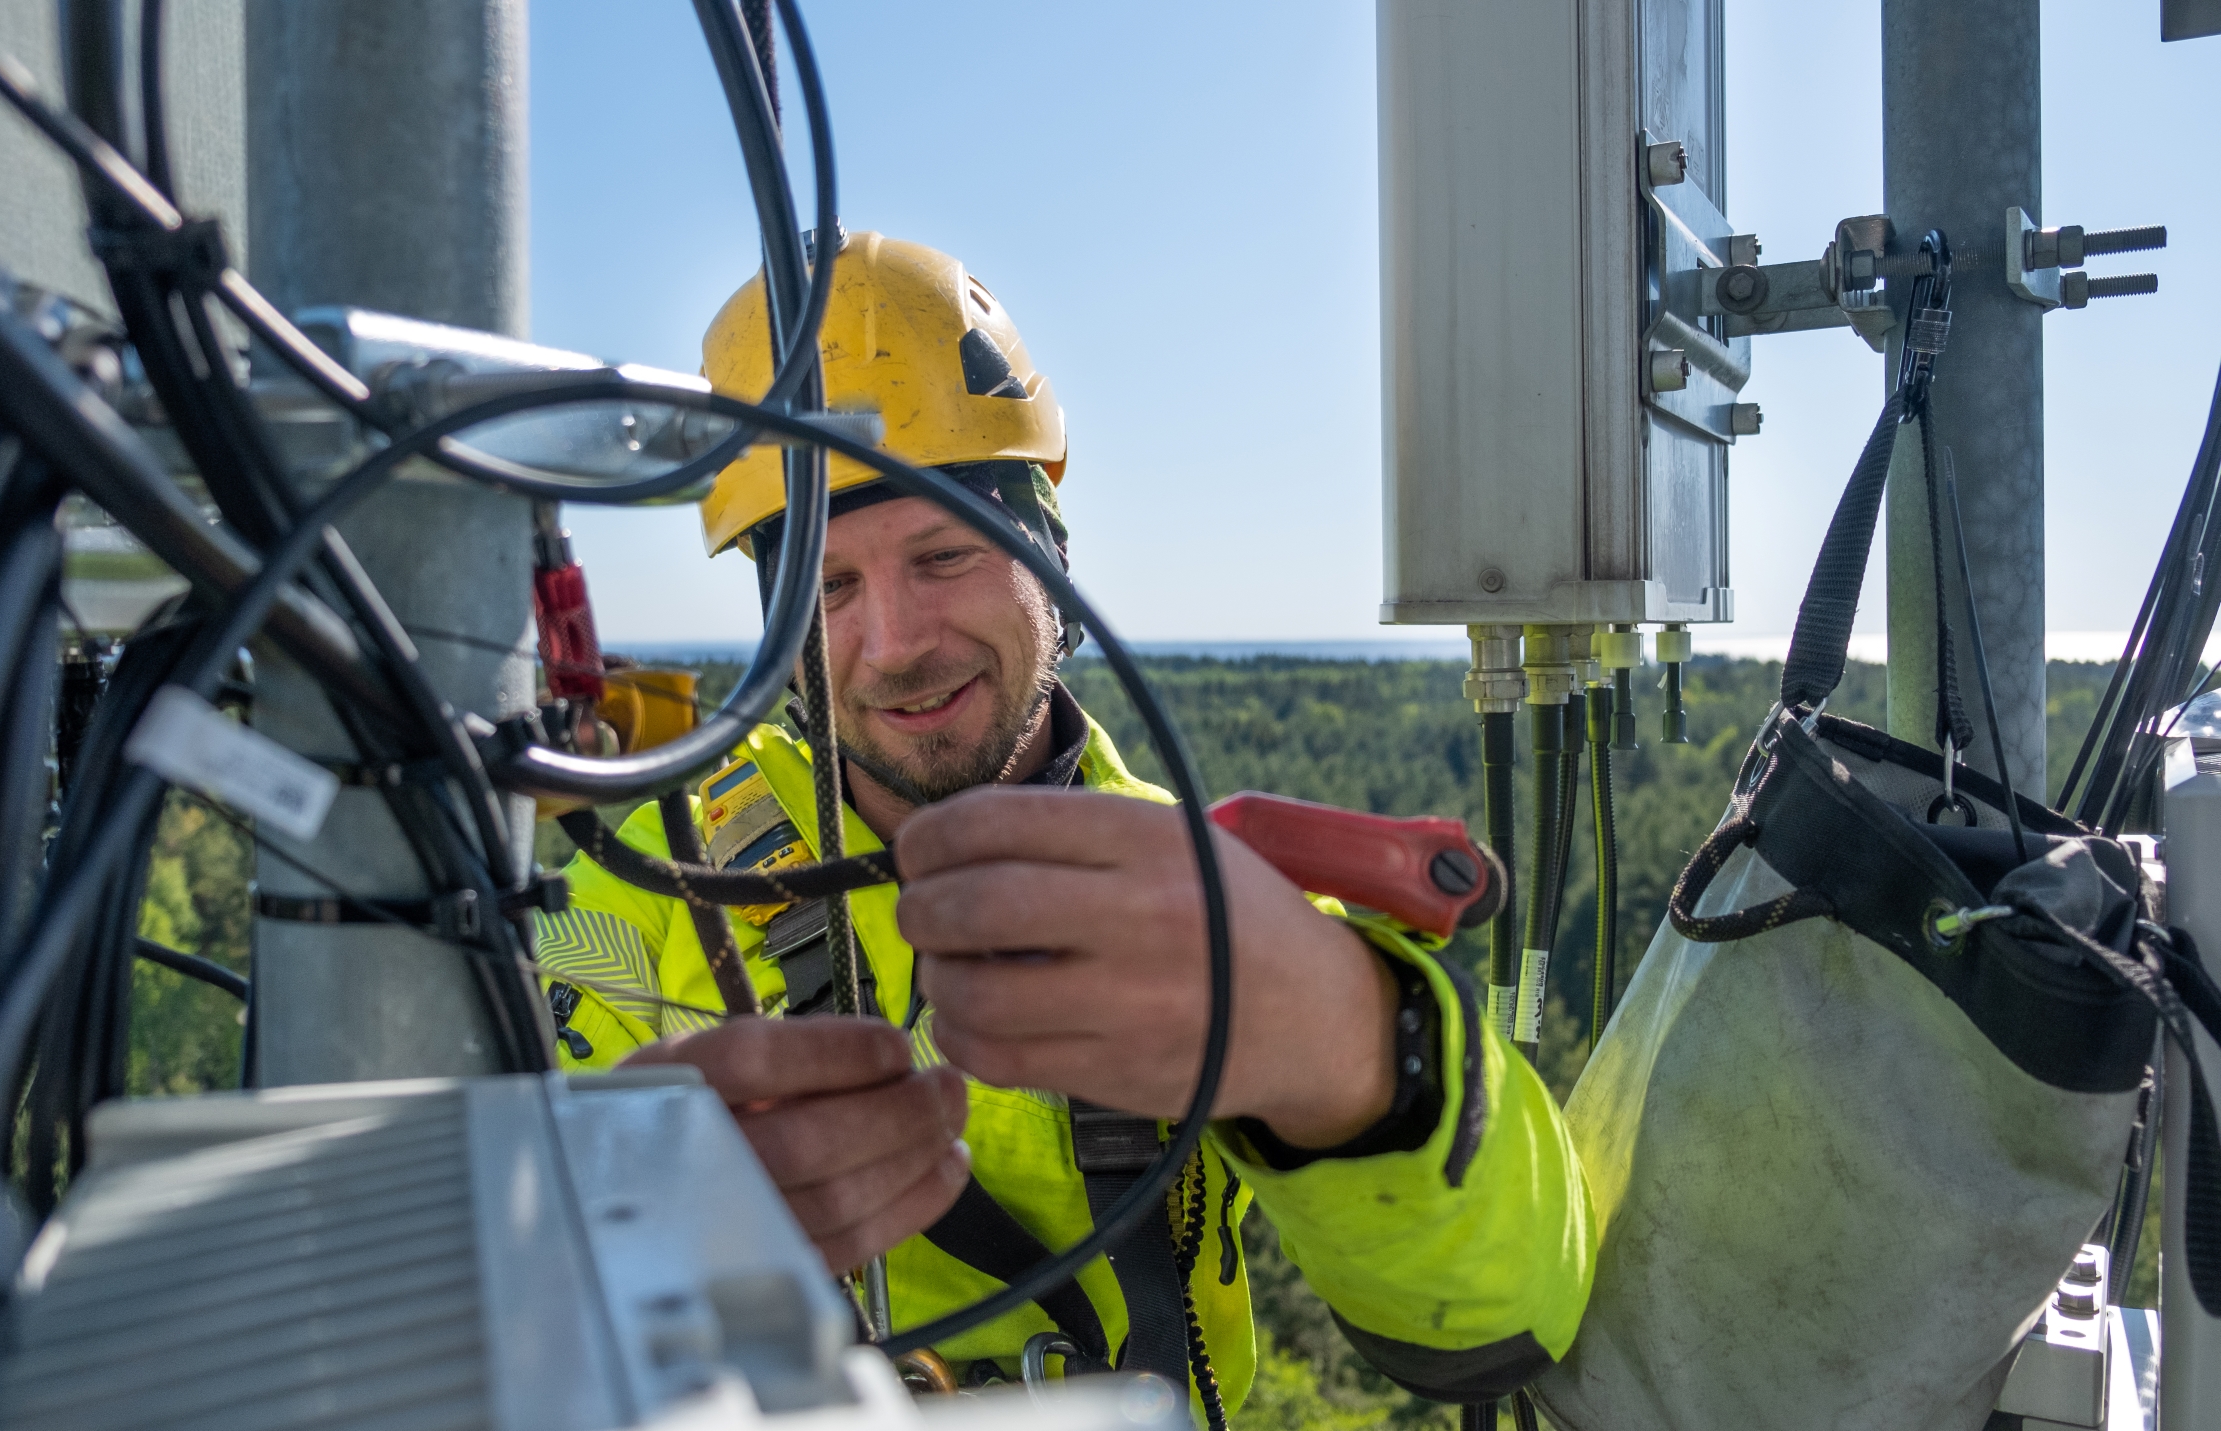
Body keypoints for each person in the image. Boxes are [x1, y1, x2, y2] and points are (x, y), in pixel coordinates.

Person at [535, 233, 1595, 1417]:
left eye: (944, 555)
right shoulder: (643, 894)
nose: (894, 644)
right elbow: (472, 1287)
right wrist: (619, 1243)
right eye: (829, 589)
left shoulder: (1195, 898)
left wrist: (1360, 1054)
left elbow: (1515, 1307)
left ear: (1049, 554)